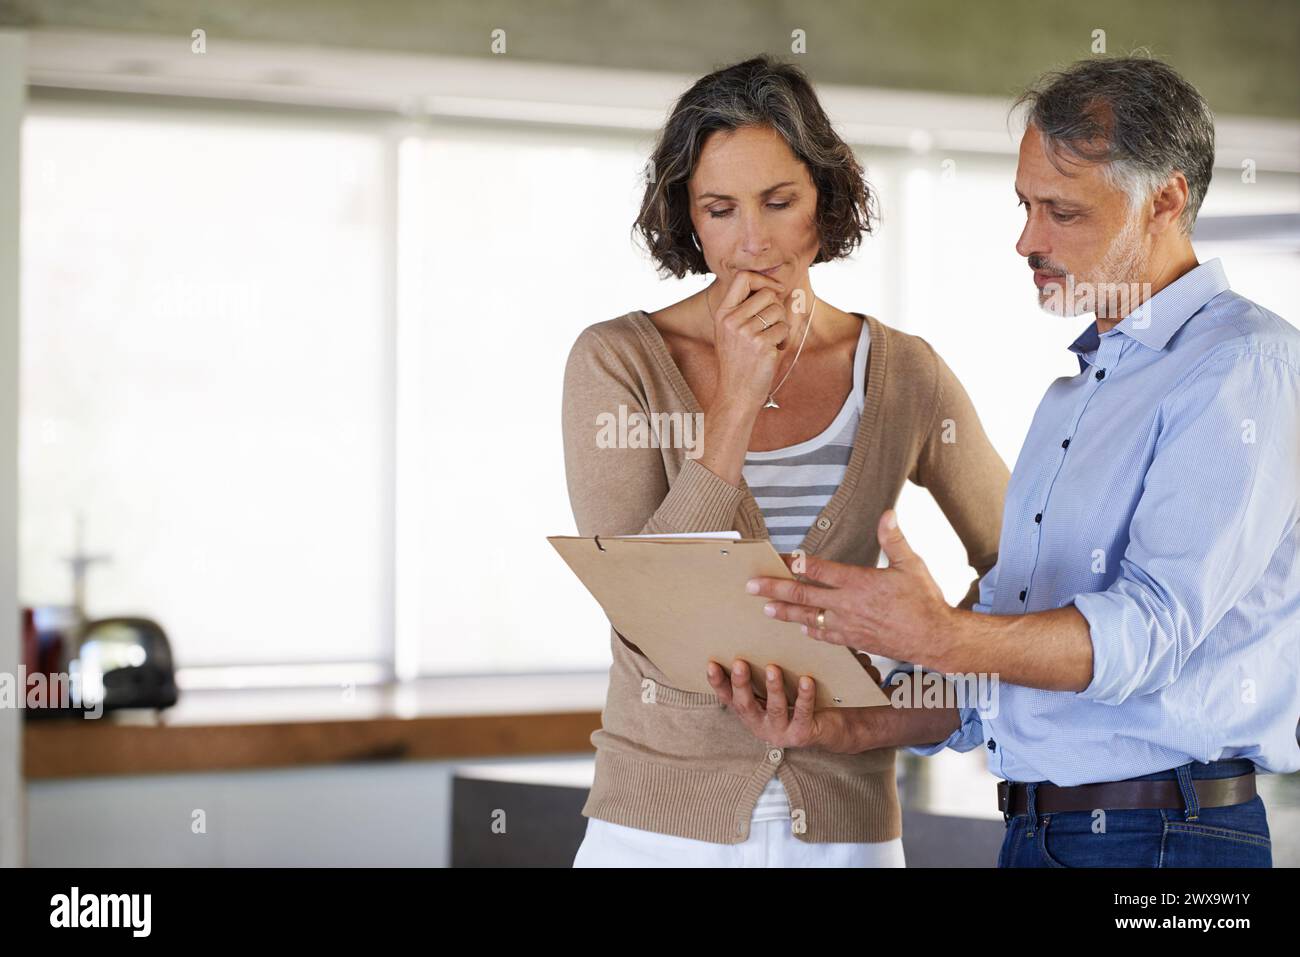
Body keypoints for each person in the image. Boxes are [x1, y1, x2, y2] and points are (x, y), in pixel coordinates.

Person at [728, 55, 1299, 868]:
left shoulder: (1244, 366)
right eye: (1026, 204)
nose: (1027, 239)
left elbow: (1146, 632)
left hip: (1163, 839)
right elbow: (996, 670)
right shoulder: (1075, 397)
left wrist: (944, 634)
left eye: (1061, 211)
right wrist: (843, 723)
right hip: (1040, 833)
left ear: (1165, 200)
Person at [561, 54, 1008, 867]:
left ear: (825, 203)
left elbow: (1025, 565)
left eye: (780, 201)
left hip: (848, 825)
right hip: (656, 827)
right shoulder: (617, 360)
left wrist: (914, 686)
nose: (755, 241)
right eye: (721, 209)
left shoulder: (906, 372)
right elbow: (642, 605)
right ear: (688, 220)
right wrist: (734, 400)